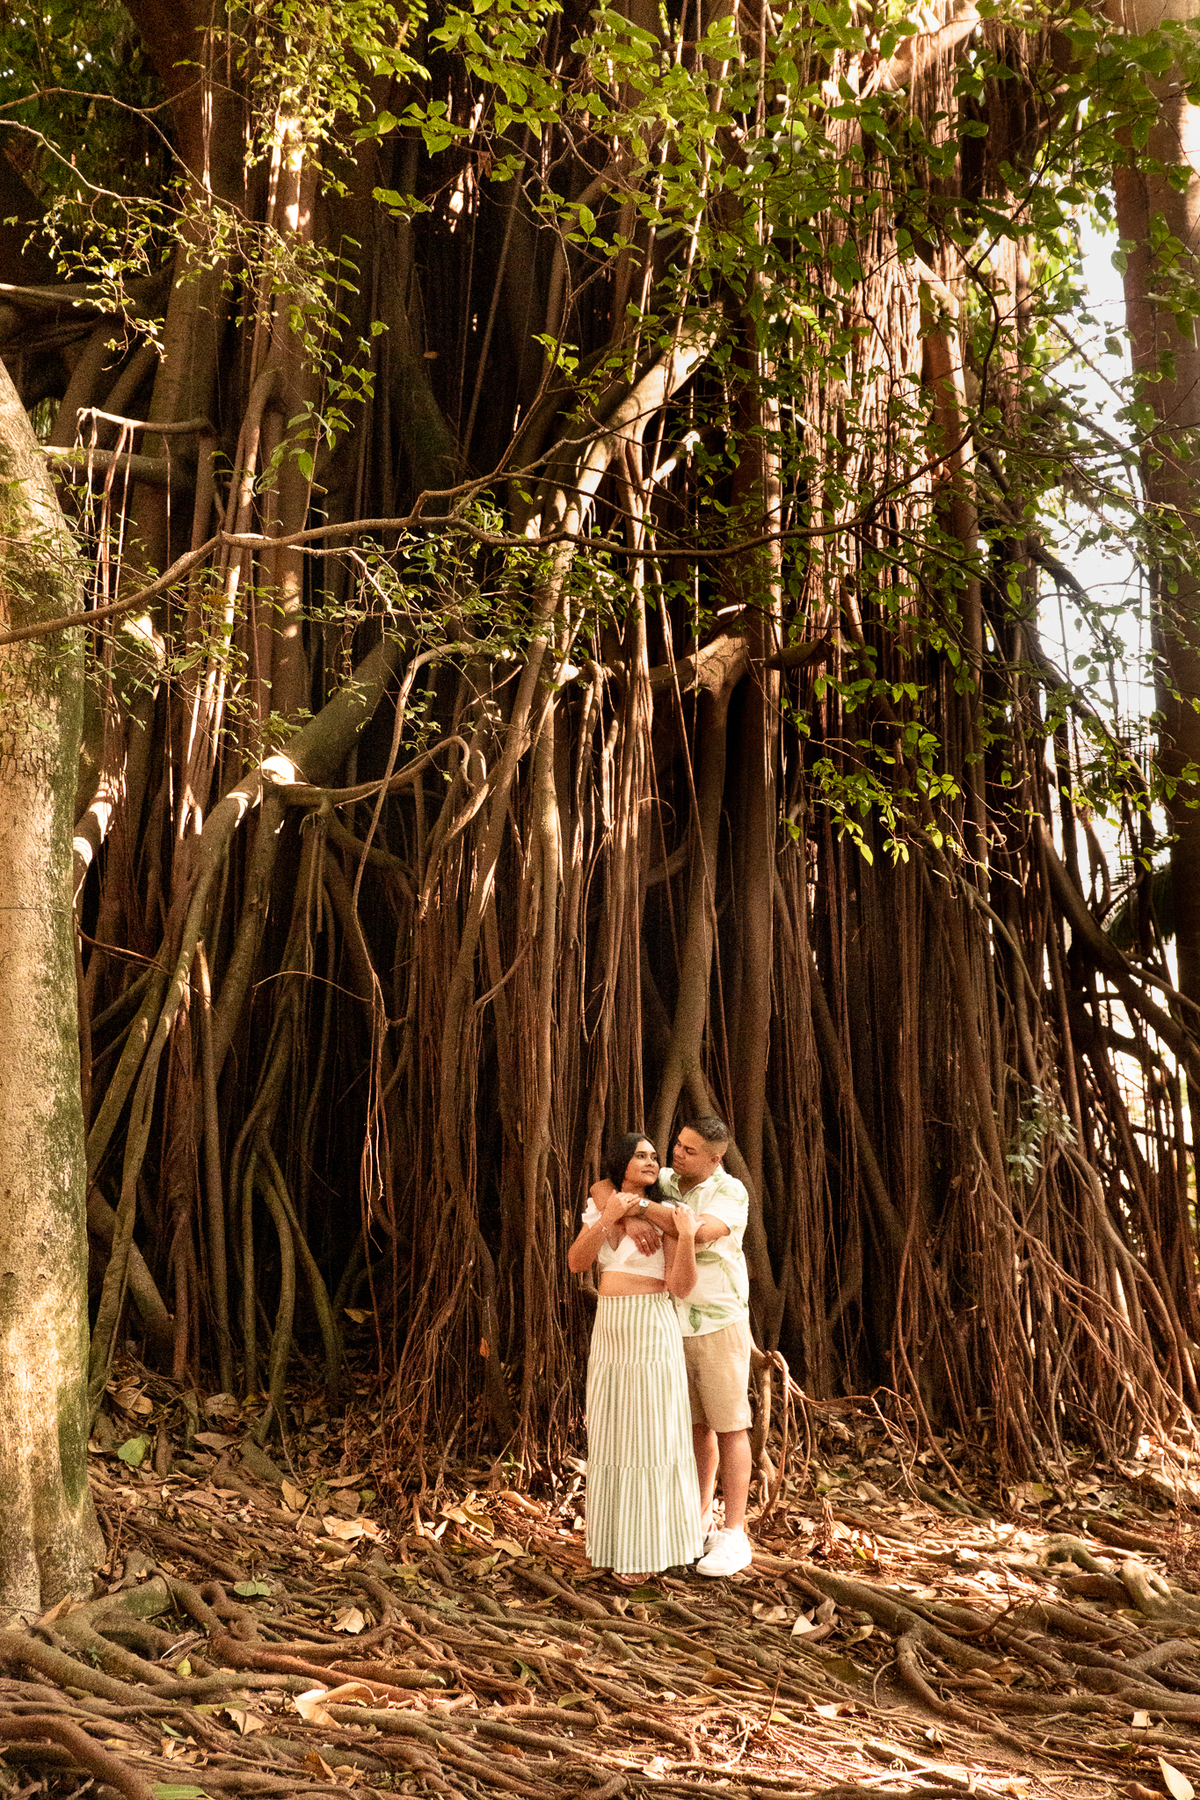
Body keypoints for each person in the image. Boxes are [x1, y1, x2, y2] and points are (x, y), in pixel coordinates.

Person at [594, 1115, 753, 1577]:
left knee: (729, 1424)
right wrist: (622, 1208)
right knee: (692, 1427)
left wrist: (637, 1211)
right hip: (664, 1325)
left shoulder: (731, 1193)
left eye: (689, 1151)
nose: (676, 1155)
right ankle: (697, 1520)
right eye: (677, 1146)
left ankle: (734, 1532)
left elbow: (698, 1232)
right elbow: (604, 1184)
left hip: (717, 1320)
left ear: (715, 1158)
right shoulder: (667, 1179)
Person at [568, 1131, 705, 1583]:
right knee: (615, 1432)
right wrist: (610, 1217)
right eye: (639, 1155)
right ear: (619, 1161)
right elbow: (576, 1262)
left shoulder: (668, 1215)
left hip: (650, 1325)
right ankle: (613, 1541)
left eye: (653, 1156)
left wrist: (683, 1237)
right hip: (610, 1329)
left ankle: (650, 1549)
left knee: (651, 1435)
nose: (650, 1161)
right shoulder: (605, 1204)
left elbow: (681, 1287)